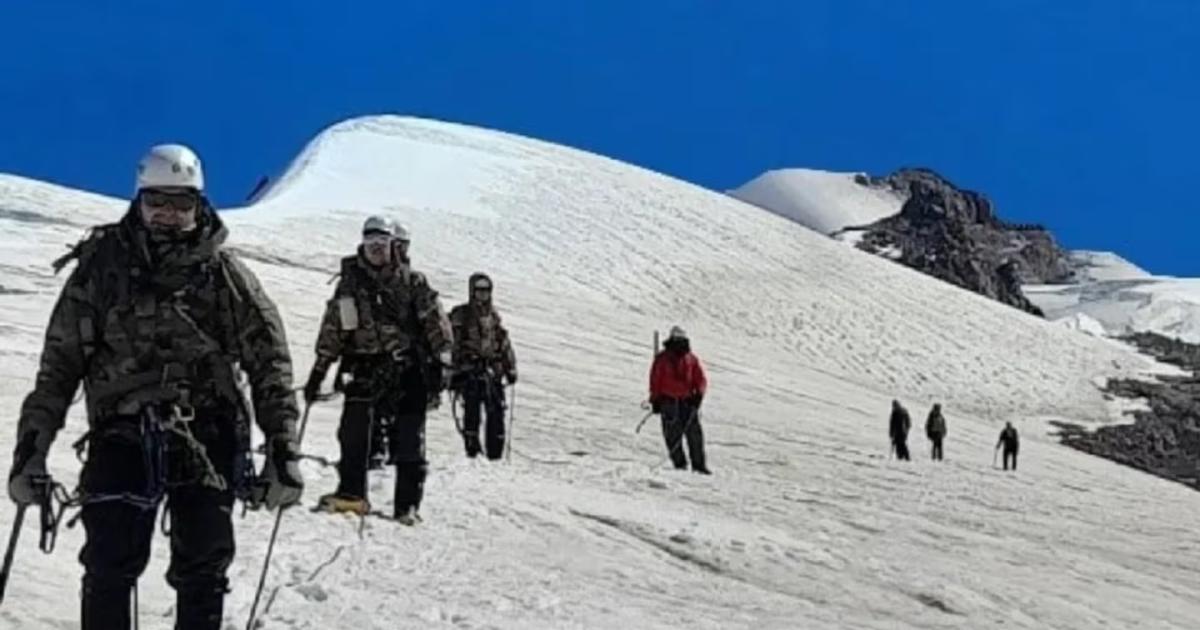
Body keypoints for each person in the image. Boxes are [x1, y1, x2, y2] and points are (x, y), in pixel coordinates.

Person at [7, 144, 303, 630]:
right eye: (157, 202)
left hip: (208, 430)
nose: (168, 214)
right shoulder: (101, 270)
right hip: (123, 430)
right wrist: (31, 452)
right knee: (108, 557)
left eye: (181, 203)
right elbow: (59, 367)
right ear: (139, 200)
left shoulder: (226, 277)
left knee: (204, 560)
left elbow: (269, 363)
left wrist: (283, 449)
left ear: (199, 205)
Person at [304, 216, 451, 524]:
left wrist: (441, 363)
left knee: (410, 437)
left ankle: (407, 506)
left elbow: (435, 323)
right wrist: (320, 369)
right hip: (364, 366)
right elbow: (335, 328)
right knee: (353, 434)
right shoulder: (350, 284)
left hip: (407, 368)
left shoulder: (413, 282)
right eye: (370, 244)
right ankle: (351, 494)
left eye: (381, 244)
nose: (375, 250)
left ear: (392, 246)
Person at [448, 273, 517, 459]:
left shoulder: (493, 316)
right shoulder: (461, 314)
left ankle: (495, 453)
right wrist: (453, 370)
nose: (483, 294)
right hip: (470, 369)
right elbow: (452, 343)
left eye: (486, 290)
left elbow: (503, 342)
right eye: (479, 290)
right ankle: (473, 450)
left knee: (496, 409)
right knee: (472, 411)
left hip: (492, 370)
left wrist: (509, 367)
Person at [649, 326, 709, 474]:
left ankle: (699, 465)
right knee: (672, 435)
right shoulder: (662, 359)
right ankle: (680, 464)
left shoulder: (691, 359)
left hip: (687, 401)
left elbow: (700, 379)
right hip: (668, 402)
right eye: (677, 340)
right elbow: (655, 380)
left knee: (694, 434)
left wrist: (699, 395)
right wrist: (655, 400)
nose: (680, 344)